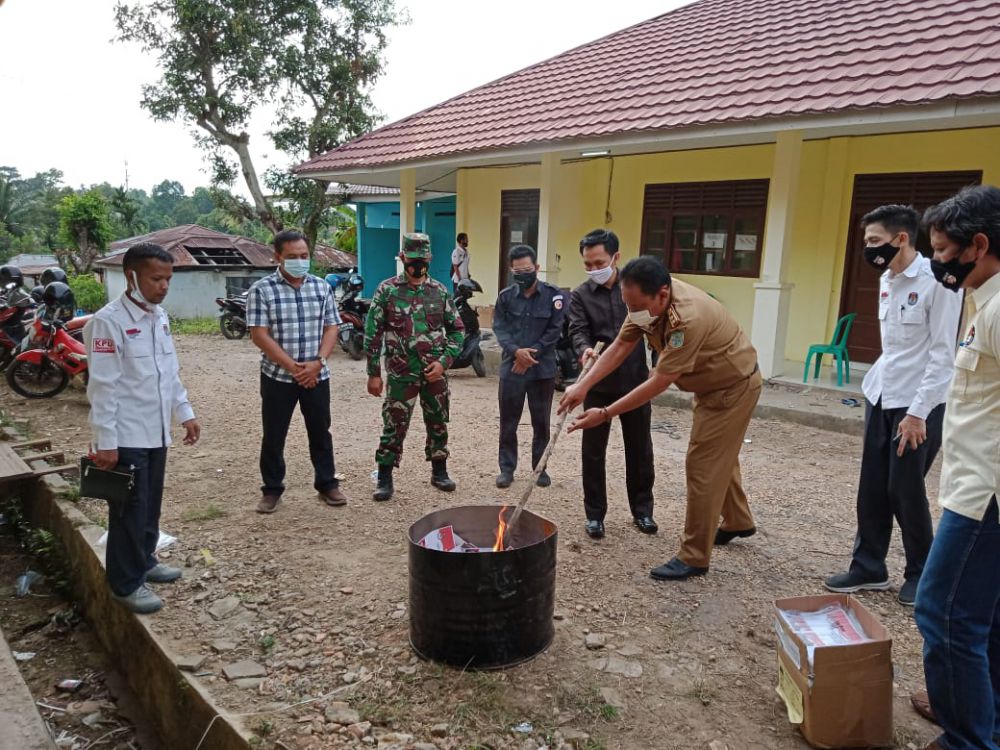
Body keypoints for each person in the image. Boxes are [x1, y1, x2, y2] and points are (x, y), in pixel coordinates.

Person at [560, 257, 760, 580]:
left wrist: (607, 413)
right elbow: (621, 345)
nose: (632, 312)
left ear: (663, 294)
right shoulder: (644, 301)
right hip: (711, 385)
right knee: (719, 456)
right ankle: (738, 520)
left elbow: (659, 382)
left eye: (637, 306)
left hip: (732, 388)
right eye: (628, 305)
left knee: (703, 465)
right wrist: (584, 386)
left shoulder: (687, 319)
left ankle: (694, 556)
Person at [825, 206, 961, 606]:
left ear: (901, 238)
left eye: (875, 241)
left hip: (919, 402)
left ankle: (922, 573)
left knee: (904, 488)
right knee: (872, 486)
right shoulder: (887, 278)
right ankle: (869, 566)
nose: (869, 249)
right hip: (882, 393)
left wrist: (918, 413)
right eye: (867, 241)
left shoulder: (939, 281)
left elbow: (943, 355)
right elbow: (895, 348)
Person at [911, 185, 1000, 750]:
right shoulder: (984, 299)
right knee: (985, 618)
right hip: (978, 487)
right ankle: (982, 717)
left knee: (942, 612)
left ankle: (966, 738)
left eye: (944, 250)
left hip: (986, 496)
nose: (937, 261)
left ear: (979, 245)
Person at [84, 243, 200, 614]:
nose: (164, 286)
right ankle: (125, 583)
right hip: (126, 434)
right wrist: (106, 441)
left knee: (149, 504)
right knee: (128, 510)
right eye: (156, 279)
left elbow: (169, 372)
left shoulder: (159, 317)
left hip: (156, 431)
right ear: (131, 276)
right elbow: (103, 388)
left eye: (168, 279)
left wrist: (184, 412)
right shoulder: (109, 321)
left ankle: (145, 560)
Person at [246, 230, 347, 514]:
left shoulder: (321, 287)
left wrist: (318, 362)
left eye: (304, 256)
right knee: (274, 434)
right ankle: (272, 489)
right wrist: (294, 368)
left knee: (321, 432)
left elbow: (332, 326)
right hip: (277, 377)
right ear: (277, 257)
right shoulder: (262, 290)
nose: (300, 261)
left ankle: (327, 484)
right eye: (292, 256)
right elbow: (259, 335)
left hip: (317, 375)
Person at [568, 229, 656, 539]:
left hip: (635, 382)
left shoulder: (635, 288)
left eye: (599, 263)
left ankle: (643, 511)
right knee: (593, 452)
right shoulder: (580, 295)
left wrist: (659, 365)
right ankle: (595, 515)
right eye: (588, 264)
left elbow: (656, 326)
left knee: (640, 448)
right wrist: (584, 349)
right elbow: (577, 330)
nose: (594, 269)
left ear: (616, 257)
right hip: (597, 383)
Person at [365, 233, 464, 501]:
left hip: (435, 374)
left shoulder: (439, 291)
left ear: (430, 259)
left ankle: (439, 471)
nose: (418, 264)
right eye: (413, 259)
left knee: (438, 422)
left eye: (423, 259)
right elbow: (373, 334)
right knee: (394, 424)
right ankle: (384, 476)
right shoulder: (387, 291)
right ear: (402, 257)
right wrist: (374, 374)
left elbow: (457, 331)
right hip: (401, 373)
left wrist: (443, 363)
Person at [493, 245, 565, 489]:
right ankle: (506, 469)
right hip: (512, 368)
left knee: (541, 422)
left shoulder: (553, 296)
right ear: (511, 270)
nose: (523, 275)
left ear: (536, 268)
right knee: (508, 422)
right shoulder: (505, 297)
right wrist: (516, 352)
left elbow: (554, 330)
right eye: (518, 271)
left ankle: (539, 469)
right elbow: (499, 328)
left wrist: (529, 355)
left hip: (541, 371)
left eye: (527, 270)